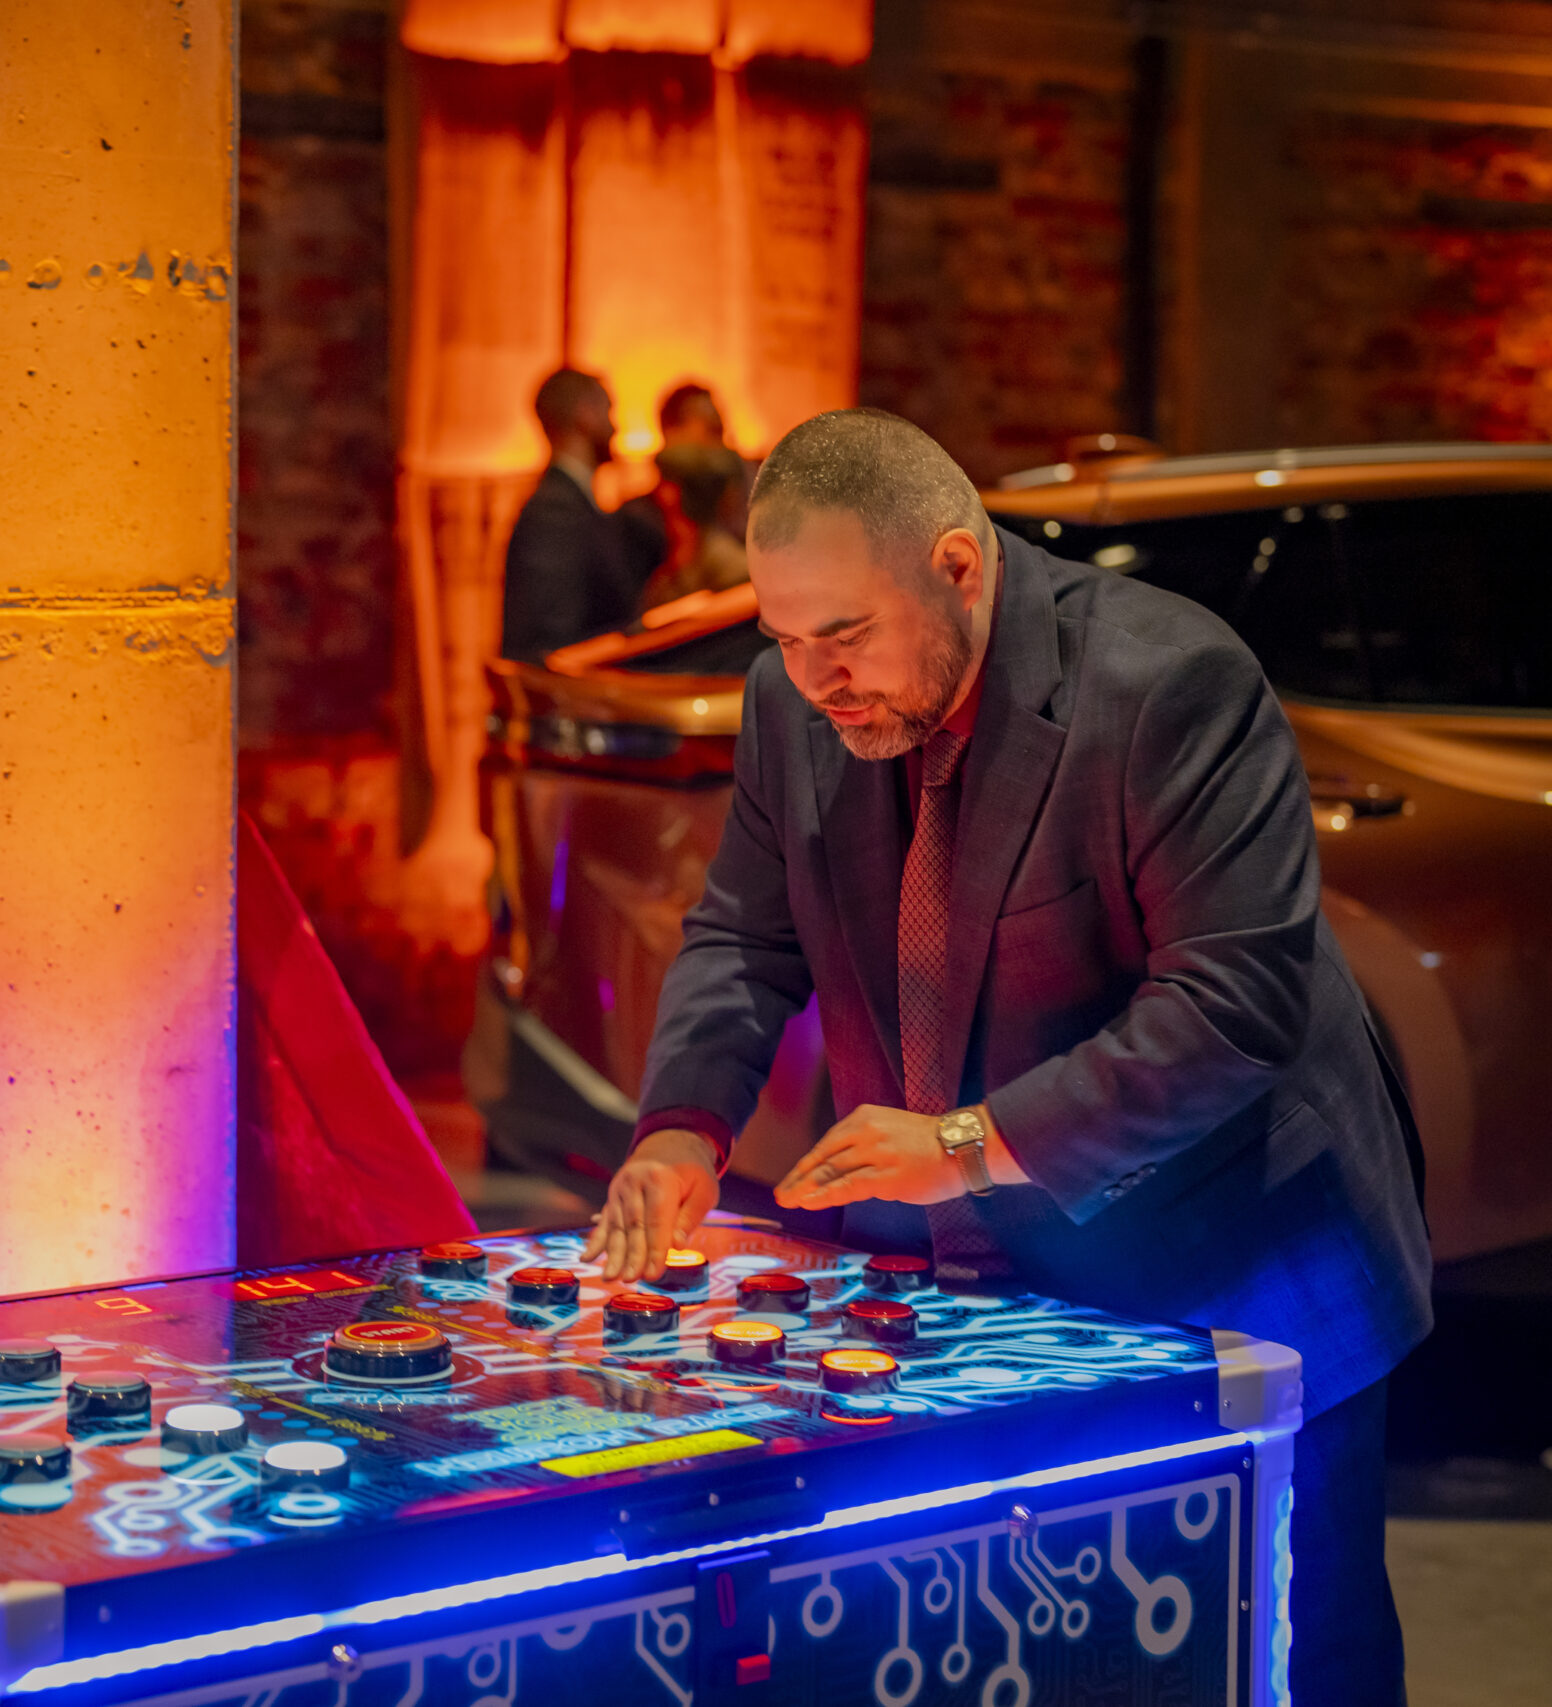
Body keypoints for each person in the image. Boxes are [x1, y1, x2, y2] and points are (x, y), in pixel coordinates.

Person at [591, 407, 1429, 1707]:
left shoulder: (1167, 683)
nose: (816, 681)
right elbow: (745, 937)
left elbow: (1234, 1003)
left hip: (1235, 1249)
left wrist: (968, 1143)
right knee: (1021, 1651)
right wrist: (678, 1129)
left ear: (958, 566)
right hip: (973, 1283)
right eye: (785, 639)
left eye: (845, 635)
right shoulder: (790, 703)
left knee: (1279, 1653)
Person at [498, 368, 659, 663]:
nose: (616, 427)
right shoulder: (555, 510)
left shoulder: (573, 502)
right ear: (585, 414)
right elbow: (552, 637)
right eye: (608, 411)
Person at [622, 383, 751, 611]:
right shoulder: (636, 523)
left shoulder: (739, 514)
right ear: (672, 433)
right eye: (711, 429)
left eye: (719, 429)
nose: (720, 444)